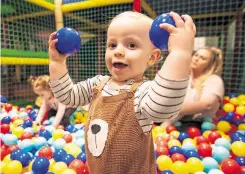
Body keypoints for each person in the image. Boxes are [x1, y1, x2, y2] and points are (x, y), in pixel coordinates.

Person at [48, 11, 196, 173]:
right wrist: (57, 62)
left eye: (131, 45)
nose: (118, 51)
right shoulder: (97, 84)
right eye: (112, 45)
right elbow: (67, 96)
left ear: (152, 57)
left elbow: (163, 108)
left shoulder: (143, 91)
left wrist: (180, 54)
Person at [161, 46, 224, 130]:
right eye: (196, 55)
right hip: (173, 120)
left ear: (210, 65)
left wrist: (172, 110)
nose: (196, 59)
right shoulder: (183, 77)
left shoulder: (214, 80)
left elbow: (206, 105)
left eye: (202, 58)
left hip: (199, 124)